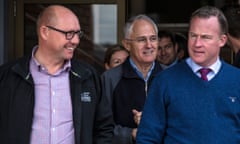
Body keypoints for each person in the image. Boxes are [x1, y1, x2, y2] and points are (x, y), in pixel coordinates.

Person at [0, 5, 113, 144]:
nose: (76, 41)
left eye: (78, 34)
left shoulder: (88, 76)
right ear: (45, 32)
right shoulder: (9, 76)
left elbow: (104, 128)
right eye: (69, 33)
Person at [136, 5, 240, 144]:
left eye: (205, 37)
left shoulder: (237, 80)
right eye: (193, 36)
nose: (197, 44)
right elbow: (147, 138)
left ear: (222, 40)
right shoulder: (164, 82)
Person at [101, 14, 162, 144]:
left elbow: (186, 124)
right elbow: (100, 128)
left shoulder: (171, 76)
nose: (149, 45)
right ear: (127, 45)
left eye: (153, 39)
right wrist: (131, 134)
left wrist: (154, 123)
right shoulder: (110, 79)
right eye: (141, 40)